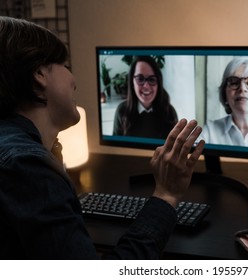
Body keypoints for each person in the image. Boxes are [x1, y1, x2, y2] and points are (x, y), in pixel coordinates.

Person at [0, 16, 205, 259]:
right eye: (65, 65)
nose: (73, 80)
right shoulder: (28, 169)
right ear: (38, 75)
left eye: (152, 79)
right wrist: (166, 194)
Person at [112, 56, 178, 139]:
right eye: (140, 79)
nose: (146, 86)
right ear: (132, 82)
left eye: (152, 79)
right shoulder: (122, 111)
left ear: (158, 82)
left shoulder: (170, 112)